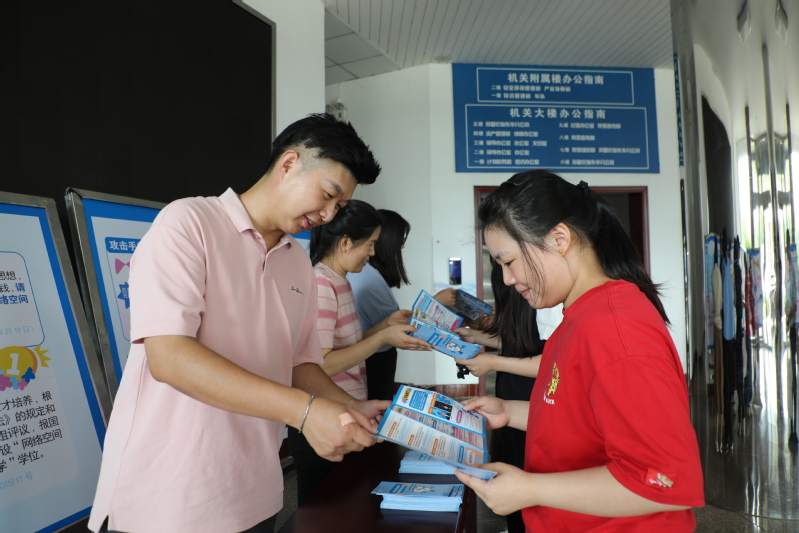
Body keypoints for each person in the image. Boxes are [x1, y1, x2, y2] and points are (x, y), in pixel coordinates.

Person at [89, 113, 390, 533]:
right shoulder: (189, 223)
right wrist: (305, 413)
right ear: (288, 164)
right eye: (327, 195)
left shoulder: (298, 265)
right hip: (170, 496)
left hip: (255, 493)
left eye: (338, 207)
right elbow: (169, 357)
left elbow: (300, 363)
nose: (327, 214)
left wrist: (347, 407)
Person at [454, 170, 704, 532]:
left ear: (559, 239)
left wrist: (530, 489)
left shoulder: (617, 330)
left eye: (509, 261)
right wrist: (507, 412)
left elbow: (664, 480)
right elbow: (575, 418)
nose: (507, 279)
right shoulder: (578, 318)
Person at [287, 200, 433, 505]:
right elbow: (321, 364)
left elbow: (345, 344)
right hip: (322, 418)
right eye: (369, 244)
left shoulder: (339, 281)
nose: (373, 253)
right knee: (322, 511)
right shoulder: (322, 283)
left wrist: (384, 326)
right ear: (345, 243)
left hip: (342, 411)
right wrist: (382, 338)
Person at [452, 260, 544, 533]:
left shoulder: (547, 300)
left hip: (532, 398)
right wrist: (478, 338)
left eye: (508, 262)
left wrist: (493, 362)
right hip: (512, 402)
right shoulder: (519, 293)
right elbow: (521, 343)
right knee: (513, 465)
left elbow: (550, 359)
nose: (507, 278)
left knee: (528, 477)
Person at [348, 209, 457, 401]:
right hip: (373, 360)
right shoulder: (368, 278)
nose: (402, 245)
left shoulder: (368, 274)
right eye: (401, 238)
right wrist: (435, 303)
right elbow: (398, 327)